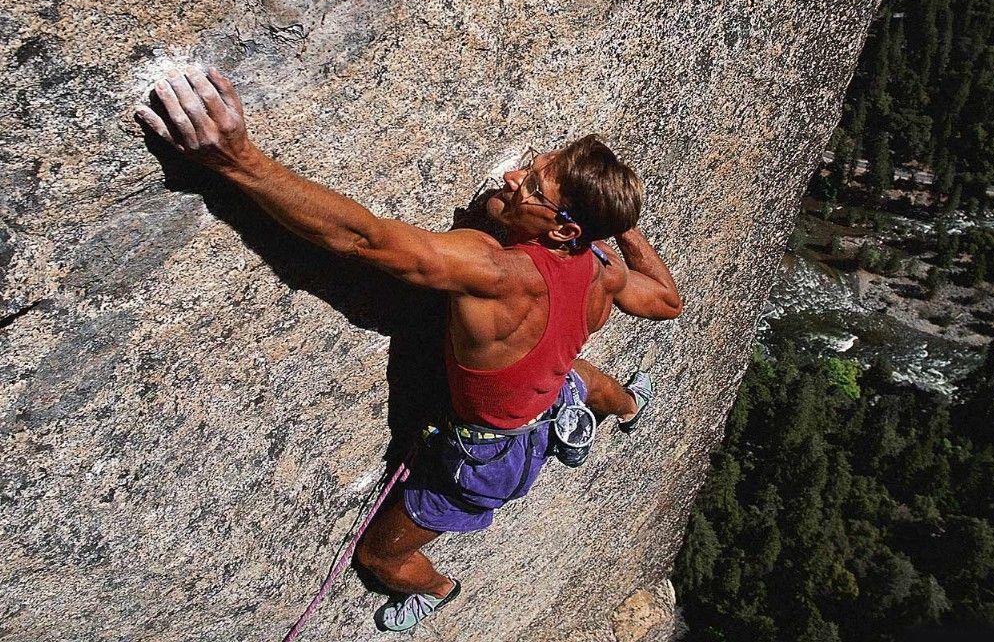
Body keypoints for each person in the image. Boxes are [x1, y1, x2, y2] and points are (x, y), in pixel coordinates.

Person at [135, 66, 682, 632]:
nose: (514, 175)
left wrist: (236, 158)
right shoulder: (599, 269)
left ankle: (439, 590)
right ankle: (629, 408)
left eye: (534, 186)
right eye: (535, 166)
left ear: (564, 229)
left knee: (381, 556)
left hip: (490, 455)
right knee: (578, 378)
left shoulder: (495, 272)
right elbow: (667, 301)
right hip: (549, 382)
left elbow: (362, 238)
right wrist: (618, 228)